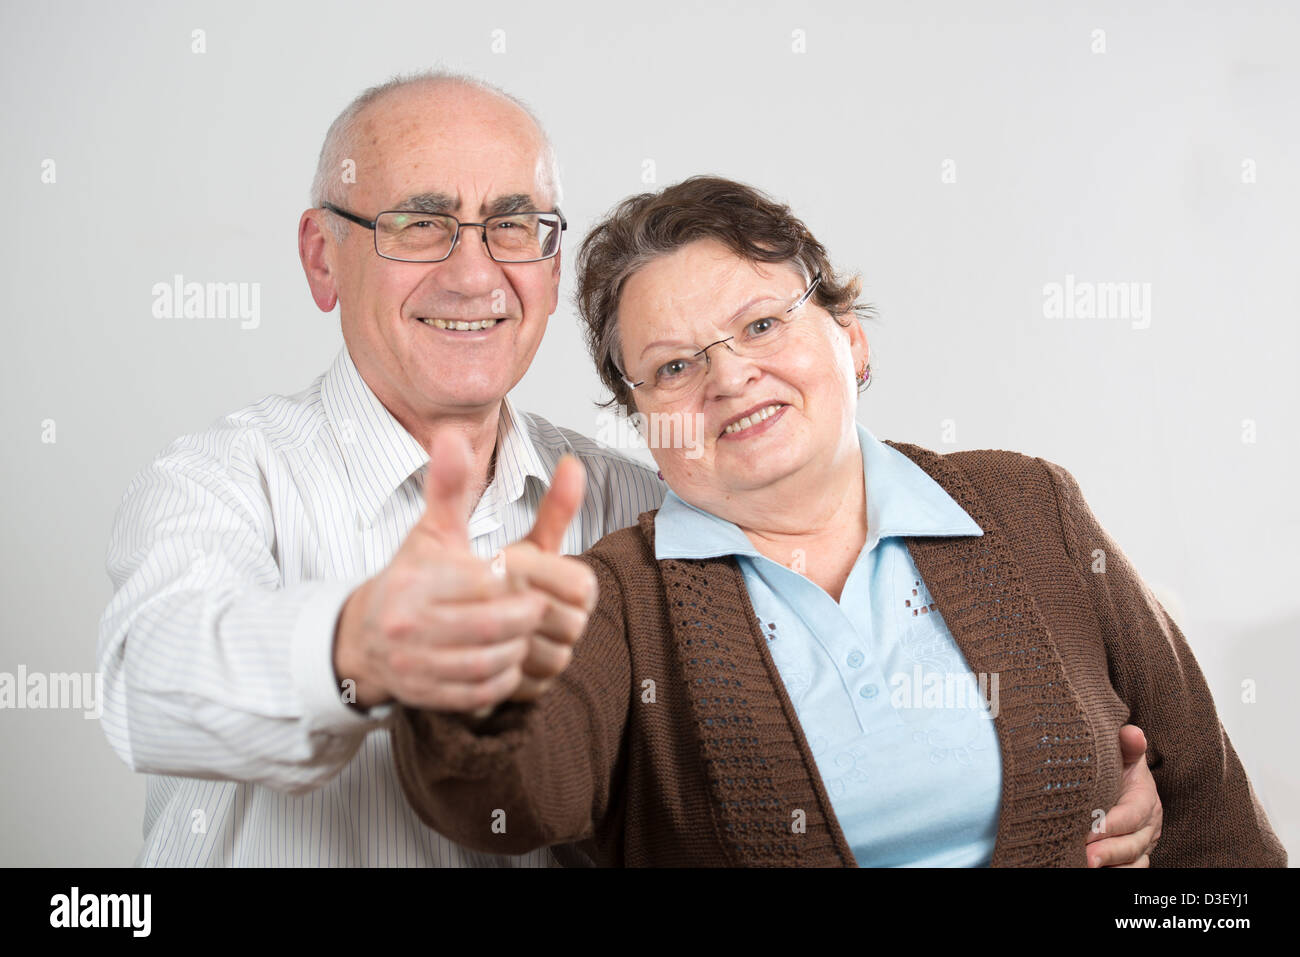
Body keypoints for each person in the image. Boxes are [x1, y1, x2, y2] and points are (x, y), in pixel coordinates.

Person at [99, 70, 1156, 867]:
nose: (475, 270)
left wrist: (1076, 788)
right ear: (323, 257)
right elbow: (146, 681)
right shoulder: (226, 477)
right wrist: (358, 643)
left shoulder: (644, 507)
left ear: (549, 268)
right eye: (420, 224)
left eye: (512, 224)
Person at [390, 176, 1285, 866]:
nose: (731, 377)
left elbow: (1213, 824)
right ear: (643, 424)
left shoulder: (1029, 506)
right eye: (672, 367)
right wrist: (462, 684)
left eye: (762, 324)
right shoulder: (613, 597)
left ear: (849, 337)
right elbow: (514, 799)